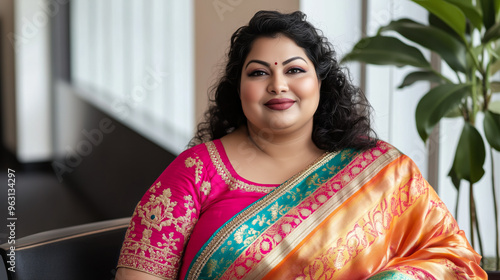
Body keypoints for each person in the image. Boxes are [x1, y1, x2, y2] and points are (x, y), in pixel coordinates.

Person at [115, 10, 486, 280]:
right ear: (238, 88)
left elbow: (455, 260)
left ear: (320, 84)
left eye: (294, 70)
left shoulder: (383, 170)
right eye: (259, 72)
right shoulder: (192, 174)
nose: (278, 85)